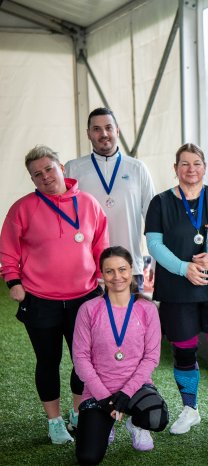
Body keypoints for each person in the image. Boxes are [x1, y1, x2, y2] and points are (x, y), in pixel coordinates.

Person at [0, 145, 108, 444]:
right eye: (37, 174)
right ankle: (54, 421)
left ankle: (78, 412)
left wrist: (104, 277)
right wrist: (13, 281)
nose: (45, 176)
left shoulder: (88, 203)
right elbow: (7, 249)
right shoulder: (22, 208)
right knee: (47, 360)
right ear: (32, 180)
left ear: (61, 168)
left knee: (84, 360)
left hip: (84, 297)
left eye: (49, 169)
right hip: (40, 299)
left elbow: (101, 243)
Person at [144, 143, 208, 435]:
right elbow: (154, 244)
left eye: (197, 163)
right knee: (184, 351)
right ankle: (190, 409)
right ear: (175, 168)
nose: (191, 169)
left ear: (204, 166)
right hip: (177, 288)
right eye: (184, 164)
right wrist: (183, 268)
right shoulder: (160, 202)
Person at [73, 246, 168, 464]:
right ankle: (107, 424)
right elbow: (80, 359)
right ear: (102, 274)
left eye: (122, 269)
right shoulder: (88, 309)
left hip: (135, 388)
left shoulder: (147, 309)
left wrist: (126, 393)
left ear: (131, 269)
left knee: (157, 418)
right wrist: (104, 398)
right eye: (110, 271)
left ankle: (135, 424)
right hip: (98, 392)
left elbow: (151, 357)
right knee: (88, 458)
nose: (117, 276)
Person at [65, 108, 156, 291]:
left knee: (130, 311)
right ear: (88, 134)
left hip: (130, 267)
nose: (104, 134)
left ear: (117, 130)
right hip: (89, 270)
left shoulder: (137, 168)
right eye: (96, 129)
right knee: (91, 312)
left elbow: (154, 219)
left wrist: (155, 261)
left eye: (108, 127)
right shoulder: (73, 169)